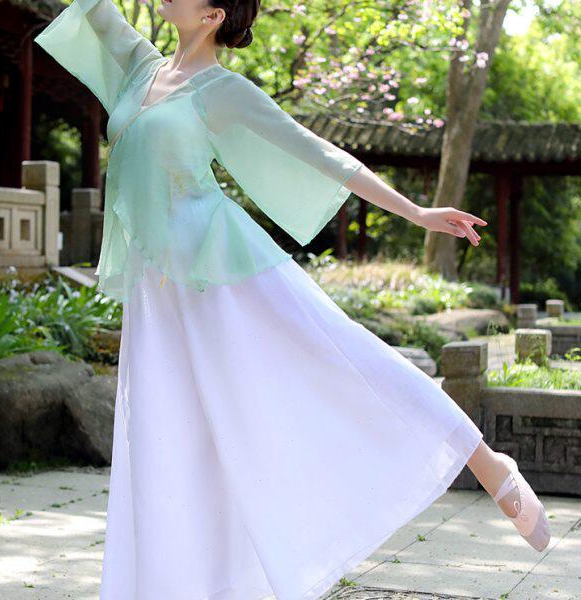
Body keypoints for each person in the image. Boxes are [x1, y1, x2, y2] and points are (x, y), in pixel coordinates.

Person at [33, 0, 551, 598]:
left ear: (213, 16)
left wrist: (416, 212)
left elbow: (319, 153)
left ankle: (486, 461)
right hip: (159, 291)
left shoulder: (223, 91)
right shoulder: (139, 67)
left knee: (341, 359)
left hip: (225, 270)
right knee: (172, 435)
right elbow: (96, 11)